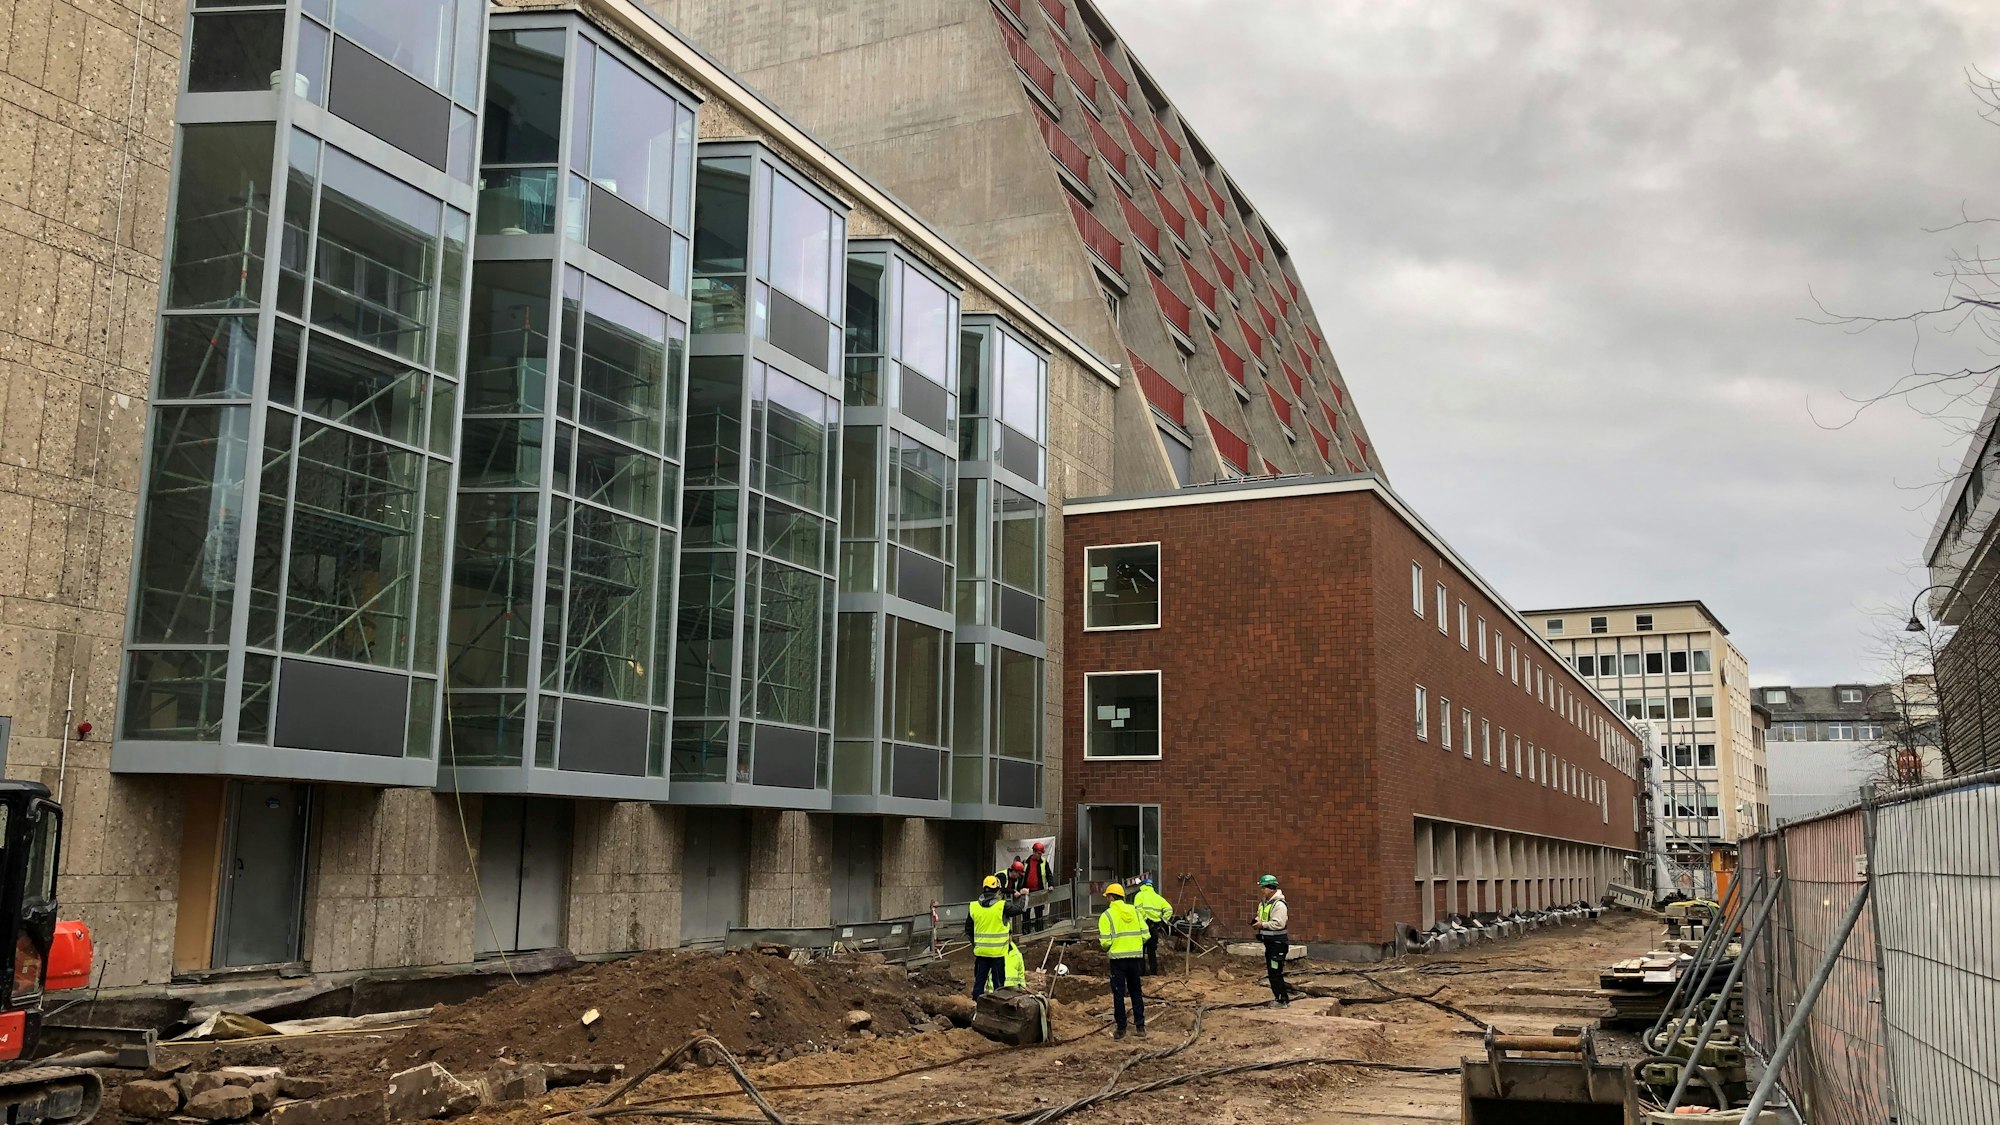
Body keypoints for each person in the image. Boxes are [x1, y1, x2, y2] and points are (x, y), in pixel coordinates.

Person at [1098, 883, 1148, 1039]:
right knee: (1136, 992)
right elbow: (1146, 934)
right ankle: (1140, 1027)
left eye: (1107, 896)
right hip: (1135, 958)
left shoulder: (1106, 915)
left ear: (1111, 897)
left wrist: (1111, 947)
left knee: (1119, 994)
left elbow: (1105, 942)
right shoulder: (1135, 911)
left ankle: (1121, 1029)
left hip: (1118, 960)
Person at [966, 875, 1025, 999]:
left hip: (981, 953)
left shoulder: (974, 907)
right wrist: (1024, 896)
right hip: (998, 954)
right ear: (998, 890)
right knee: (999, 985)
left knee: (979, 983)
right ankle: (998, 1009)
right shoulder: (1001, 906)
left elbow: (968, 930)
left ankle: (977, 1009)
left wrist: (976, 944)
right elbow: (1021, 909)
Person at [1251, 874, 1291, 1007]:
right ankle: (1280, 998)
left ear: (1271, 888)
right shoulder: (1264, 903)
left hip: (1278, 944)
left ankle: (1282, 999)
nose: (1262, 890)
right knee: (1272, 971)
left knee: (1275, 972)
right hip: (1270, 943)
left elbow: (1279, 923)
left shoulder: (1279, 905)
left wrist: (1263, 925)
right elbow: (1261, 917)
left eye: (1264, 888)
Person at [1132, 877, 1174, 976]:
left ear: (1143, 886)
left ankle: (1141, 972)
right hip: (1155, 927)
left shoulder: (1139, 895)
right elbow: (1169, 909)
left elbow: (1137, 910)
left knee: (1141, 950)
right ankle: (1153, 972)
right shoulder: (1158, 897)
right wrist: (1163, 920)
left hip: (1143, 926)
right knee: (1152, 951)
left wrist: (1145, 918)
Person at [1023, 842, 1054, 933]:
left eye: (1041, 854)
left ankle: (1039, 932)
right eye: (1038, 853)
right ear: (1034, 852)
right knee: (1026, 914)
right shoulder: (1025, 862)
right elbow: (1020, 876)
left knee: (1039, 913)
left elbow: (1049, 875)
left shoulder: (1044, 862)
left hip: (1039, 892)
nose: (1040, 856)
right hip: (1027, 893)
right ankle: (1026, 933)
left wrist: (1051, 884)